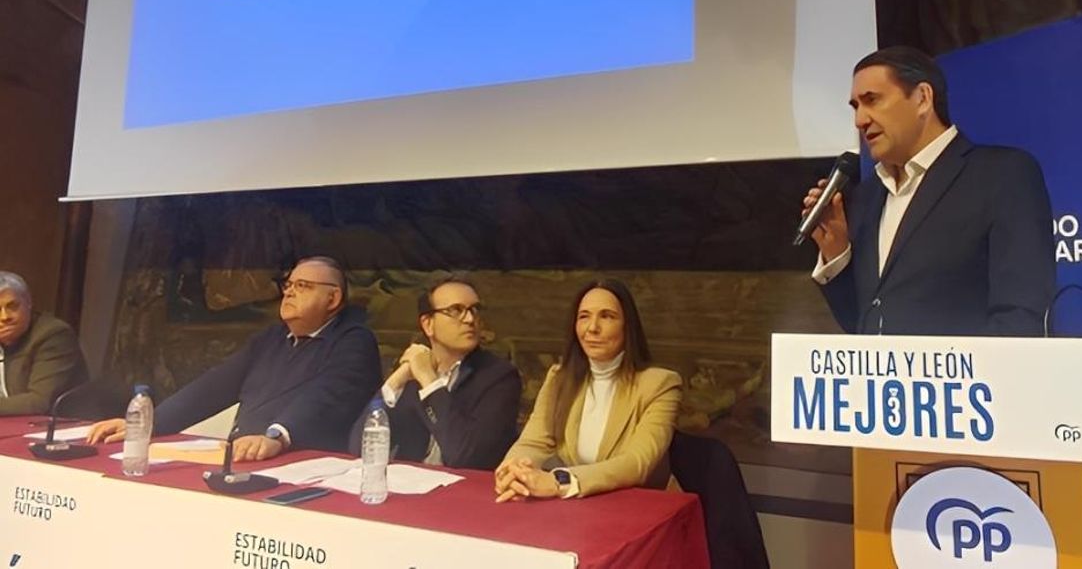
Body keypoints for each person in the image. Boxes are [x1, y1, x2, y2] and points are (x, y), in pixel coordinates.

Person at [802, 46, 1054, 336]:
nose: (860, 120)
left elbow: (1019, 314)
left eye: (872, 100)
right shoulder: (867, 196)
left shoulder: (1001, 174)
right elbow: (866, 324)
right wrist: (837, 252)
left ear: (923, 98)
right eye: (855, 106)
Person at [86, 256, 381, 461]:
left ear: (333, 298)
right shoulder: (271, 338)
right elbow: (212, 387)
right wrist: (149, 424)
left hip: (305, 466)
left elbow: (326, 397)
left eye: (302, 286)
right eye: (288, 285)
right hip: (243, 459)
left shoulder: (354, 341)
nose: (289, 292)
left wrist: (276, 436)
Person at [494, 278, 682, 501]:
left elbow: (637, 463)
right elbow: (533, 442)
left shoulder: (661, 384)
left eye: (607, 316)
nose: (592, 328)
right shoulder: (559, 378)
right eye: (584, 316)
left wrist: (560, 482)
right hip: (581, 505)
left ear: (627, 326)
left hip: (640, 505)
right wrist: (514, 471)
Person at [348, 276, 520, 469]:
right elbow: (359, 449)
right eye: (456, 310)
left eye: (474, 310)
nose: (470, 319)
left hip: (464, 484)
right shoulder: (413, 371)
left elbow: (467, 457)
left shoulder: (499, 376)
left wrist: (429, 382)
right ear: (428, 324)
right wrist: (395, 382)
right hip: (412, 482)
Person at [0, 271, 88, 415]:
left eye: (13, 306)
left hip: (59, 423)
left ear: (29, 303)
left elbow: (39, 402)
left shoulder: (53, 335)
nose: (5, 317)